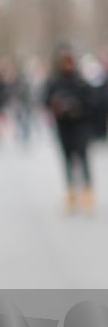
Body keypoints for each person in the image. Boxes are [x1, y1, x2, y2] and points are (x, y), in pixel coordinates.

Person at [44, 43, 95, 215]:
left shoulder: (80, 82)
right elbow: (45, 100)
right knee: (67, 161)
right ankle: (71, 192)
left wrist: (77, 108)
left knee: (83, 159)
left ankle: (87, 193)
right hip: (63, 127)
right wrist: (57, 106)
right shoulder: (54, 82)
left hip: (80, 126)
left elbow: (93, 103)